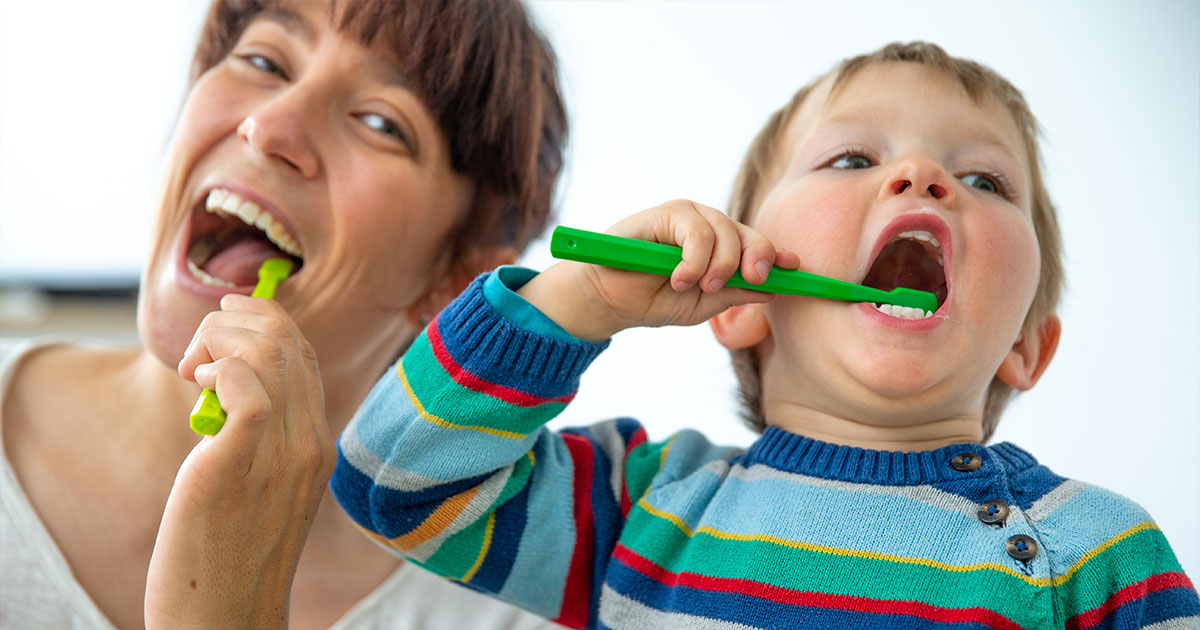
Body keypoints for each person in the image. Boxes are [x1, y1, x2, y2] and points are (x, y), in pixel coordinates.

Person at [328, 42, 1200, 628]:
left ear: (1025, 346)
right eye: (854, 160)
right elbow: (389, 481)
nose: (923, 176)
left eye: (984, 178)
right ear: (739, 297)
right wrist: (583, 297)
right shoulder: (641, 507)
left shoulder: (1097, 551)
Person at [0, 0, 570, 628]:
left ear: (454, 278)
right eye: (263, 60)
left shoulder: (503, 613)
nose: (270, 126)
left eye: (380, 123)